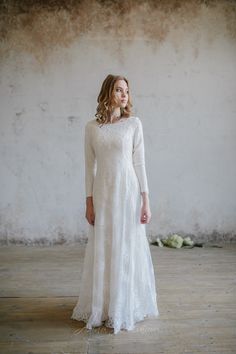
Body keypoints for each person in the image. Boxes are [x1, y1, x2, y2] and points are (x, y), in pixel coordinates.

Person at [71, 74, 159, 334]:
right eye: (119, 90)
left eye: (127, 91)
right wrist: (88, 202)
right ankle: (104, 305)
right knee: (105, 244)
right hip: (103, 194)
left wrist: (146, 200)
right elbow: (90, 167)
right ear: (107, 92)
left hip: (128, 193)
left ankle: (125, 304)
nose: (124, 95)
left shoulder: (133, 124)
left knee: (126, 244)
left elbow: (139, 163)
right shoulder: (91, 128)